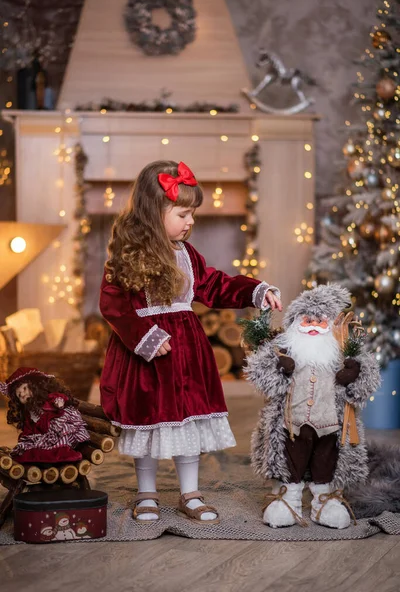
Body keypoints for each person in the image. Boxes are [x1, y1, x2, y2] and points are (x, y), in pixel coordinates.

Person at [99, 159, 282, 524]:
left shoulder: (186, 254)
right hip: (147, 356)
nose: (191, 221)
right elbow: (113, 304)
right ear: (155, 212)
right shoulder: (126, 258)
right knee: (148, 422)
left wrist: (254, 290)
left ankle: (190, 492)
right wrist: (143, 337)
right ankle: (147, 493)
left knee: (187, 421)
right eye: (183, 213)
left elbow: (215, 285)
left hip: (186, 354)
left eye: (192, 213)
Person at [246, 284, 381, 529]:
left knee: (326, 464)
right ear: (295, 322)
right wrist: (280, 368)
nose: (313, 326)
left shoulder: (342, 352)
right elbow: (259, 373)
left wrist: (355, 372)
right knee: (290, 462)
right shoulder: (283, 349)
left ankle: (325, 503)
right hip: (291, 425)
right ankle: (288, 501)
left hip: (331, 426)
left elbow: (368, 379)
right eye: (307, 320)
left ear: (331, 325)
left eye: (320, 322)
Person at [1, 367, 90, 463]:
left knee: (54, 445)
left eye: (24, 388)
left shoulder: (46, 398)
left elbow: (59, 399)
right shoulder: (29, 411)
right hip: (44, 432)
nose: (22, 394)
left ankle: (60, 450)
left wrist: (58, 404)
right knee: (30, 451)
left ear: (33, 385)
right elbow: (30, 427)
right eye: (19, 394)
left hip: (57, 426)